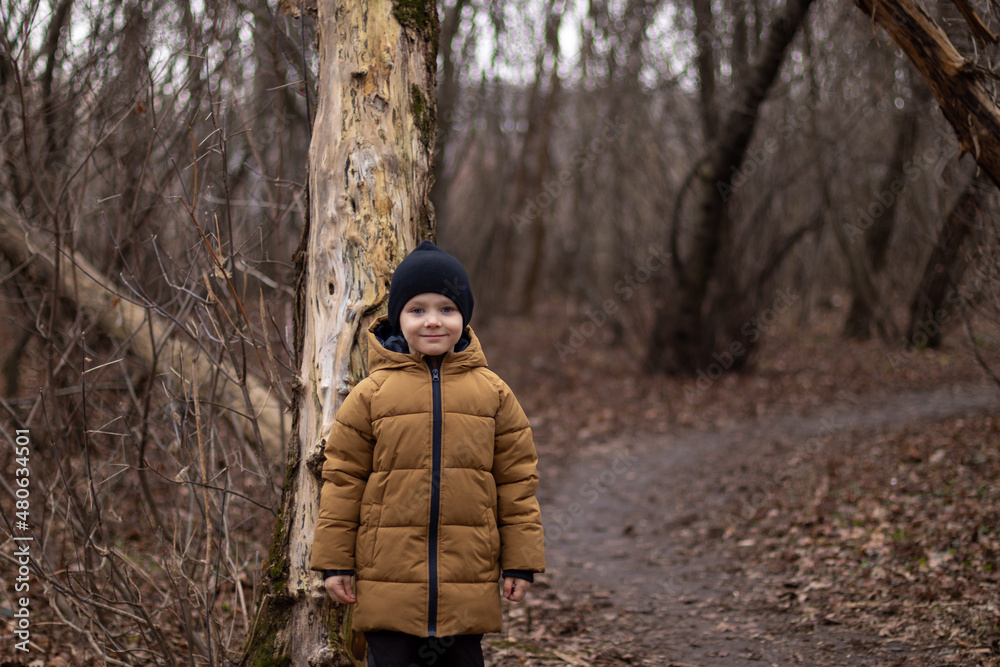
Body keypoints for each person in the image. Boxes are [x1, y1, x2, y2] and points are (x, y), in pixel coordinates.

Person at [311, 240, 545, 667]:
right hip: (387, 580)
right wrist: (334, 563)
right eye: (417, 310)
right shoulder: (371, 394)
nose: (433, 321)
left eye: (447, 309)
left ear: (465, 317)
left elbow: (517, 482)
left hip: (466, 580)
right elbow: (343, 480)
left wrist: (520, 563)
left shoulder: (492, 392)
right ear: (398, 317)